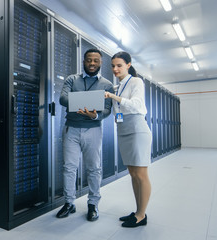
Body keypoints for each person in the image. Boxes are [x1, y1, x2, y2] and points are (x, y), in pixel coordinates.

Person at [57, 48, 114, 221]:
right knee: (69, 167)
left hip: (93, 129)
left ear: (100, 63)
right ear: (83, 61)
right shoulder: (72, 79)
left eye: (95, 60)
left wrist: (94, 114)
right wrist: (88, 101)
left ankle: (93, 204)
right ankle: (69, 203)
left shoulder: (107, 85)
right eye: (89, 60)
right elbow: (62, 99)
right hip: (71, 128)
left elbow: (107, 109)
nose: (92, 63)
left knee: (94, 169)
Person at [104, 51, 152, 228]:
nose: (115, 69)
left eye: (119, 65)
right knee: (132, 174)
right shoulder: (118, 87)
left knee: (141, 174)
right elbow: (119, 111)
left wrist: (113, 97)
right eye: (113, 66)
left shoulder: (136, 82)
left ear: (128, 65)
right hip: (123, 129)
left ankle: (141, 215)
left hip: (137, 130)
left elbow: (137, 105)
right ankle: (138, 210)